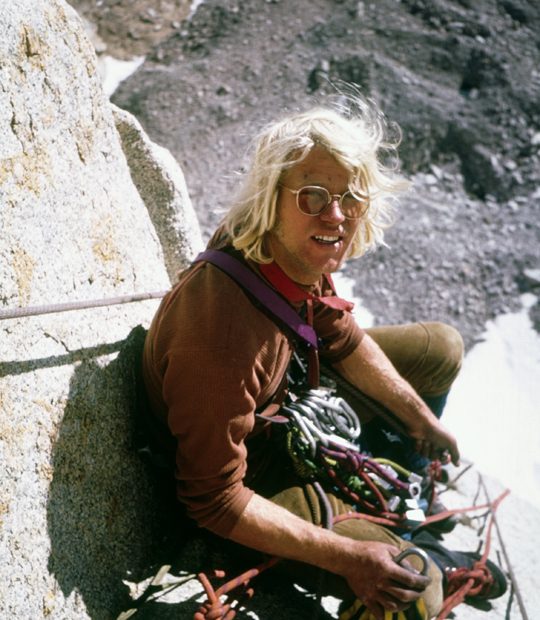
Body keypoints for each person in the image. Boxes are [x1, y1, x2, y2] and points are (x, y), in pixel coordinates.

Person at [142, 101, 503, 619]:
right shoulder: (220, 335)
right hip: (256, 482)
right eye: (313, 197)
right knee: (411, 591)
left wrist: (419, 420)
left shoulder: (286, 252)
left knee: (440, 348)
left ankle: (407, 504)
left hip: (283, 409)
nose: (336, 216)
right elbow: (215, 500)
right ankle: (412, 552)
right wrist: (352, 557)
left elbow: (338, 335)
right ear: (272, 199)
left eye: (351, 198)